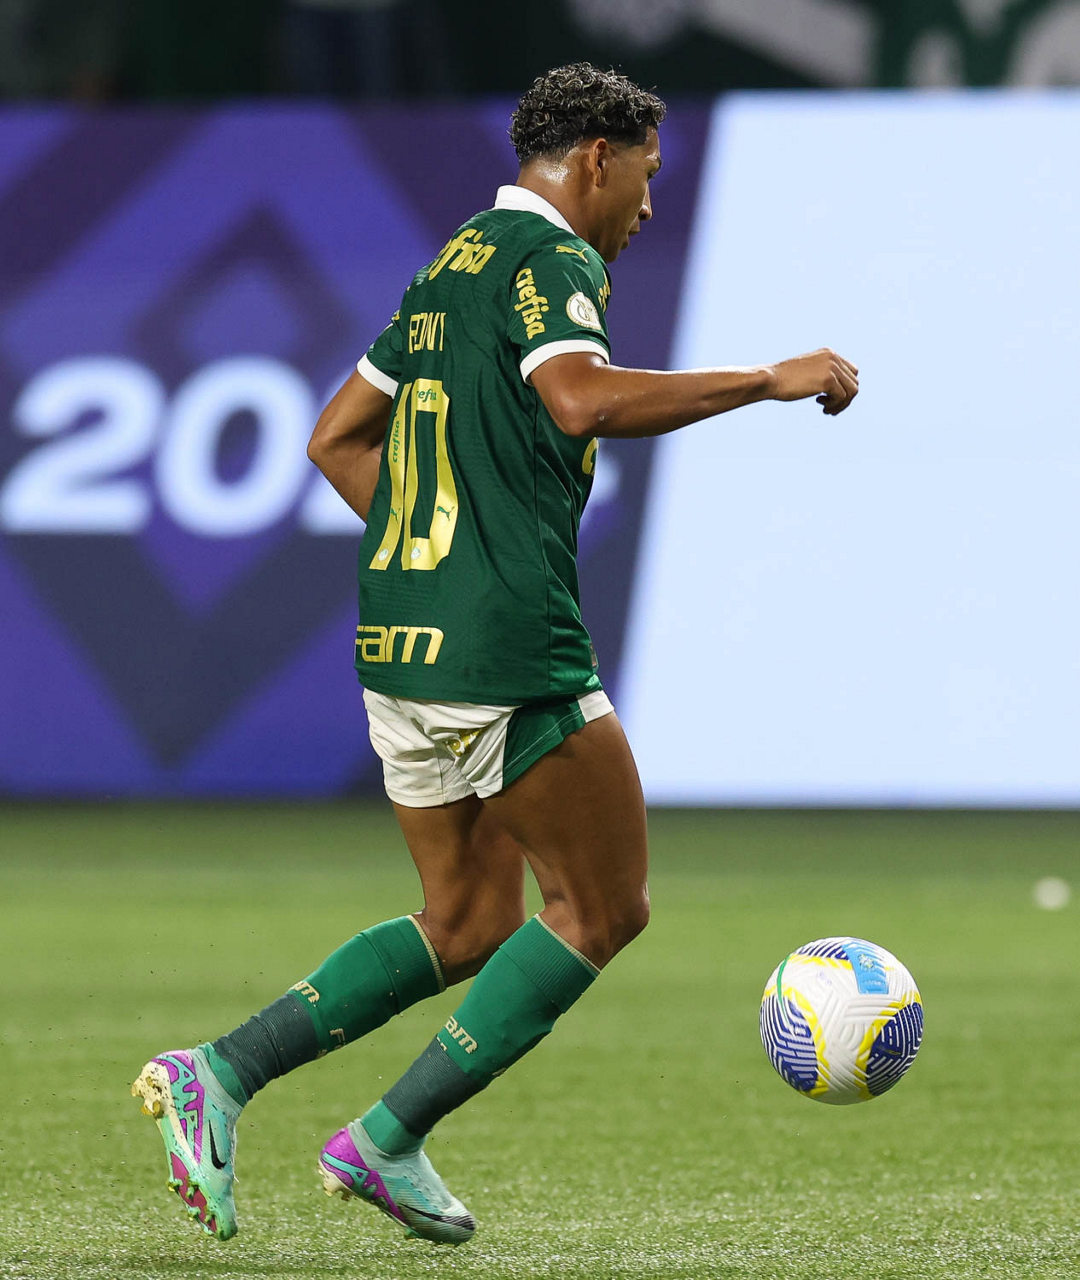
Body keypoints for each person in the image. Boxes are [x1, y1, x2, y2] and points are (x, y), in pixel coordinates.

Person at [131, 62, 858, 1247]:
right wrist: (765, 378)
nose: (647, 207)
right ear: (595, 160)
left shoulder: (452, 263)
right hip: (504, 646)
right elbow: (580, 399)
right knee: (602, 906)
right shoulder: (551, 258)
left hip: (399, 641)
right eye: (645, 177)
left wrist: (434, 554)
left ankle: (220, 1070)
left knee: (467, 917)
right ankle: (385, 1136)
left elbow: (335, 438)